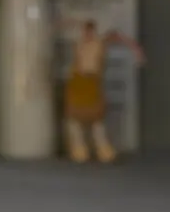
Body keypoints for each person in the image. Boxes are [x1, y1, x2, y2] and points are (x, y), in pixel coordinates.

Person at [61, 19, 144, 163]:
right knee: (74, 120)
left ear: (94, 31)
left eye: (90, 31)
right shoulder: (79, 44)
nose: (87, 34)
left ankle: (104, 151)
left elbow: (116, 36)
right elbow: (66, 25)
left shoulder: (99, 43)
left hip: (92, 82)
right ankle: (79, 151)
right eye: (85, 31)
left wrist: (136, 50)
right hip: (77, 83)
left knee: (97, 120)